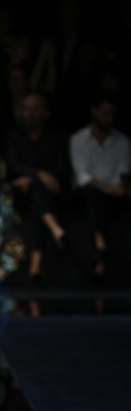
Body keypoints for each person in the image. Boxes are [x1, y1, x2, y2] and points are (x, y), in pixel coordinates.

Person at [5, 90, 73, 283]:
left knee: (37, 204)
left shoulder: (58, 138)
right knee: (36, 195)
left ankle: (35, 268)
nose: (30, 114)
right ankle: (56, 230)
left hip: (51, 195)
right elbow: (12, 165)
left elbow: (61, 171)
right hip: (20, 194)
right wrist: (39, 175)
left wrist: (34, 178)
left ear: (46, 112)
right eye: (26, 109)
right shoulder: (14, 136)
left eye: (35, 109)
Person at [69, 92, 131, 282]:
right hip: (86, 194)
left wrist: (117, 188)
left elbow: (123, 173)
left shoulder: (122, 141)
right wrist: (109, 188)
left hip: (114, 195)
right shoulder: (78, 139)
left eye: (112, 115)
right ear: (94, 112)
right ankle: (100, 244)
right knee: (93, 194)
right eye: (105, 114)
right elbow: (82, 176)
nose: (109, 119)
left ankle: (101, 250)